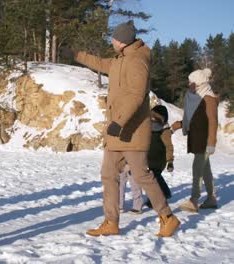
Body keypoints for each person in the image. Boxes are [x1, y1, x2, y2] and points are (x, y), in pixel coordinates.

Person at [73, 20, 180, 237]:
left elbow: (136, 95)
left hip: (131, 131)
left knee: (141, 176)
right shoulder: (120, 59)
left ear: (121, 41)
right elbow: (103, 64)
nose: (111, 41)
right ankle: (111, 221)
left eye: (113, 38)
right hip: (116, 133)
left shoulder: (137, 61)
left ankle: (168, 217)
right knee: (108, 175)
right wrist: (78, 55)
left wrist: (119, 122)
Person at [171, 68, 218, 213]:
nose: (188, 84)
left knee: (197, 168)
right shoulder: (193, 97)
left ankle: (194, 199)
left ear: (199, 83)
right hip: (196, 137)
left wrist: (211, 143)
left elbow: (213, 121)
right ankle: (211, 198)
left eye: (191, 82)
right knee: (205, 169)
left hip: (204, 139)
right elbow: (190, 117)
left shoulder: (208, 98)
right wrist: (178, 125)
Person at [145, 105, 174, 208]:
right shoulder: (147, 127)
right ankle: (152, 199)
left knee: (155, 177)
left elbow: (169, 146)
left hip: (159, 158)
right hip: (149, 157)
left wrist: (170, 161)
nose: (152, 119)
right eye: (151, 116)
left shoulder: (164, 131)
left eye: (155, 117)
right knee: (151, 179)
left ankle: (165, 193)